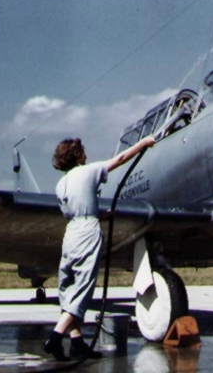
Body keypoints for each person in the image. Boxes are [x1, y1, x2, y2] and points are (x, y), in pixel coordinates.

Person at [43, 135, 156, 361]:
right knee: (82, 288)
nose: (86, 154)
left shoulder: (60, 184)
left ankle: (77, 344)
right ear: (77, 155)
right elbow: (121, 158)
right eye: (83, 151)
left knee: (68, 287)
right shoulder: (89, 171)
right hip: (87, 233)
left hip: (71, 233)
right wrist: (144, 143)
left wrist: (100, 215)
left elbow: (73, 212)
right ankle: (55, 338)